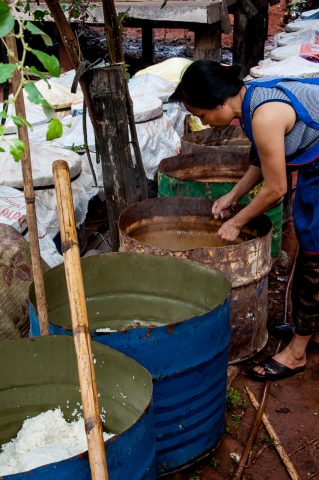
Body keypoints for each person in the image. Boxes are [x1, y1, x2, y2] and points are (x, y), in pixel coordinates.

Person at [170, 60, 319, 382]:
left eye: (203, 115)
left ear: (221, 102)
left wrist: (236, 222)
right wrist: (232, 196)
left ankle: (296, 353)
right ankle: (311, 328)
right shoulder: (252, 98)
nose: (204, 122)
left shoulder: (264, 114)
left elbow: (277, 188)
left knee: (315, 253)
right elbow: (265, 159)